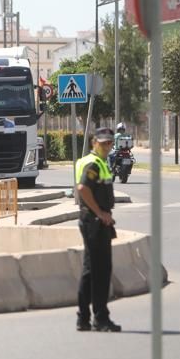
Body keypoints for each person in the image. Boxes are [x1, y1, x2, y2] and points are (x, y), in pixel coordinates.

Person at [75, 127, 121, 332]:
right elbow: (83, 189)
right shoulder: (93, 163)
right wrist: (101, 214)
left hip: (91, 220)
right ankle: (100, 317)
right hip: (95, 221)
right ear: (94, 142)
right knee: (100, 271)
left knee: (90, 271)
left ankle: (83, 318)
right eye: (103, 143)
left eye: (110, 143)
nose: (107, 146)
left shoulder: (94, 161)